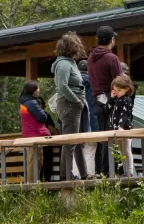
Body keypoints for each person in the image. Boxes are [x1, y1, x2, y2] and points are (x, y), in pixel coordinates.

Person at [51, 32, 90, 179]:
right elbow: (62, 86)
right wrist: (76, 100)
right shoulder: (63, 64)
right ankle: (66, 175)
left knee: (77, 141)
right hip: (69, 105)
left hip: (74, 105)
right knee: (69, 142)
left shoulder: (70, 63)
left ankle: (84, 173)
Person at [88, 25, 122, 174]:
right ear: (112, 40)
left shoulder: (90, 58)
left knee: (102, 135)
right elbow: (120, 82)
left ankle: (100, 171)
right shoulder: (111, 58)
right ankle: (111, 171)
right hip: (111, 98)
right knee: (112, 135)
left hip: (96, 99)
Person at [19, 80, 56, 180]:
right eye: (38, 88)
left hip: (29, 135)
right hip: (37, 135)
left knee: (32, 161)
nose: (39, 90)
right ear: (33, 90)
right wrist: (42, 111)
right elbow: (43, 117)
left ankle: (34, 184)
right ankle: (36, 185)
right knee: (38, 162)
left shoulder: (24, 101)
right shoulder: (31, 103)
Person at [108, 74, 137, 176]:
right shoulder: (117, 99)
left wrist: (121, 126)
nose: (117, 93)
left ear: (126, 89)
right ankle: (124, 171)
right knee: (120, 151)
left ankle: (129, 171)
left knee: (127, 150)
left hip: (124, 128)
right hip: (116, 129)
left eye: (119, 90)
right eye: (115, 90)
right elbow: (109, 109)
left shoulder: (127, 100)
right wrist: (111, 98)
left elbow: (124, 114)